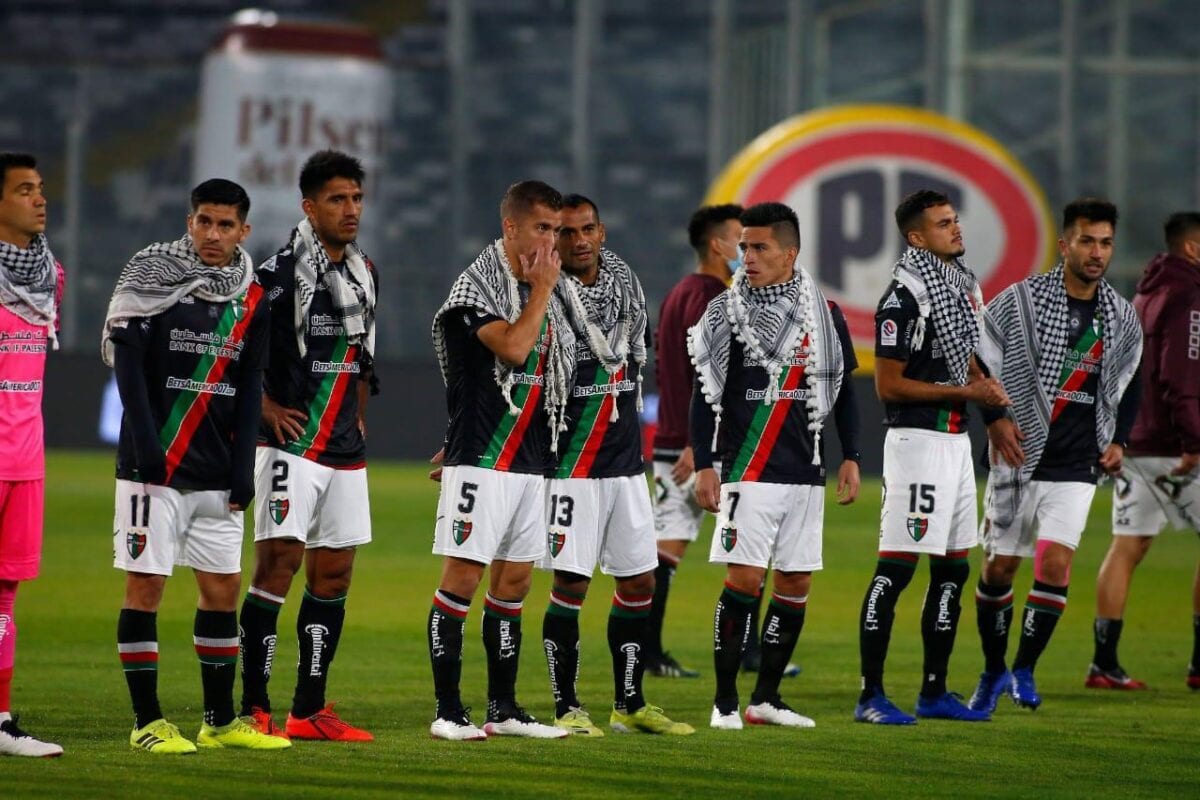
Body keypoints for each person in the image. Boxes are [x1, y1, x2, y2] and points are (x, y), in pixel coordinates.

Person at [105, 179, 285, 754]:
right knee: (146, 587)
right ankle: (147, 723)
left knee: (222, 590)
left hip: (216, 469)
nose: (212, 234)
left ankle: (220, 720)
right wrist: (144, 445)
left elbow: (251, 382)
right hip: (153, 469)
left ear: (244, 231)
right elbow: (127, 369)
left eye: (225, 225)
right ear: (190, 222)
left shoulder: (252, 296)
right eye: (203, 221)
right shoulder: (150, 275)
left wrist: (242, 467)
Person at [690, 202, 861, 730]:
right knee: (743, 581)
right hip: (747, 467)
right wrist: (705, 463)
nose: (748, 256)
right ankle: (723, 703)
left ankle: (765, 699)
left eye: (759, 247)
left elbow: (843, 390)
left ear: (791, 253)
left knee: (794, 584)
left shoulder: (823, 313)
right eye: (743, 246)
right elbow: (705, 393)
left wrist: (851, 455)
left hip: (805, 472)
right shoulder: (724, 312)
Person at [971, 198, 1142, 713]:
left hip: (1076, 462)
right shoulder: (1021, 300)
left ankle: (1024, 669)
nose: (1097, 252)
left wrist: (1120, 440)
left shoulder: (1119, 314)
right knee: (999, 570)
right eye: (1087, 241)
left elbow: (1129, 382)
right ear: (1065, 244)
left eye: (1106, 243)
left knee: (1054, 560)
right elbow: (979, 358)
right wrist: (995, 421)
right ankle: (992, 668)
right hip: (1019, 452)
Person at [854, 190, 1009, 725]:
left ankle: (933, 692)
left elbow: (971, 364)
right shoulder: (903, 298)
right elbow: (889, 387)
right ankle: (870, 695)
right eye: (943, 224)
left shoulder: (960, 288)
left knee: (953, 571)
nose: (956, 230)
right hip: (916, 445)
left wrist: (994, 417)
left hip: (954, 445)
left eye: (955, 220)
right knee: (894, 571)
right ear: (917, 237)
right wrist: (970, 396)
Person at [540, 194, 693, 736]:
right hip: (572, 464)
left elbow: (639, 364)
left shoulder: (628, 285)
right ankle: (566, 706)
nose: (579, 241)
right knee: (572, 585)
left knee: (639, 581)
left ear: (601, 232)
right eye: (567, 232)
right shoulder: (542, 293)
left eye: (587, 230)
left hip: (626, 463)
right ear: (552, 238)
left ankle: (629, 703)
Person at [426, 180, 574, 740]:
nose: (551, 242)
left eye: (556, 231)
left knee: (514, 583)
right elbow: (513, 348)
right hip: (483, 457)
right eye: (542, 228)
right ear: (510, 227)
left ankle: (504, 708)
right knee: (463, 577)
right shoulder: (475, 290)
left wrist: (543, 291)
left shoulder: (550, 293)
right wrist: (540, 291)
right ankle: (447, 711)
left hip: (530, 459)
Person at [239, 150, 377, 742]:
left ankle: (308, 708)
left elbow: (363, 353)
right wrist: (264, 408)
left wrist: (360, 414)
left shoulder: (366, 272)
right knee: (278, 566)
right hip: (289, 445)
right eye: (337, 199)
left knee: (335, 576)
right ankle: (252, 706)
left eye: (356, 198)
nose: (350, 210)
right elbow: (237, 355)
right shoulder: (273, 278)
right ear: (309, 206)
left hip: (344, 449)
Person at [1090, 211, 1200, 691]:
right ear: (1193, 249)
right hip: (1176, 444)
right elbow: (1182, 376)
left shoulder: (1144, 294)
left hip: (1135, 439)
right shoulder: (1190, 296)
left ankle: (1104, 664)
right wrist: (1195, 441)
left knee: (1127, 547)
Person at [645, 203, 741, 679]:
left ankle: (649, 653)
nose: (745, 249)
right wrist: (698, 445)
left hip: (672, 439)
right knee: (749, 543)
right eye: (740, 239)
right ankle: (750, 655)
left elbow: (668, 370)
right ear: (717, 244)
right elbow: (707, 376)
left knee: (668, 547)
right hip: (696, 447)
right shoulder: (713, 298)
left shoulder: (678, 292)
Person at [0, 153, 63, 758]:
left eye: (39, 189)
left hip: (27, 459)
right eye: (24, 190)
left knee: (6, 596)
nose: (39, 200)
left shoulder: (50, 276)